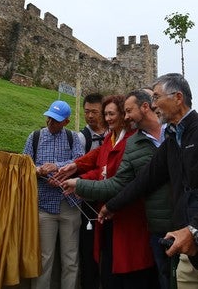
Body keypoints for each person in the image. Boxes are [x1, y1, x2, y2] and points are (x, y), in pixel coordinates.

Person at [99, 73, 198, 289]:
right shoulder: (173, 140)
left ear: (178, 97)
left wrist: (195, 230)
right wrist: (111, 206)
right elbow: (145, 180)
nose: (153, 104)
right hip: (189, 253)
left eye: (156, 97)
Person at [62, 89, 173, 289]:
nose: (108, 118)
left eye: (112, 113)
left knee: (137, 272)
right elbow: (101, 164)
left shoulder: (133, 141)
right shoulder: (112, 138)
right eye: (106, 114)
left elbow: (116, 180)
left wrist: (80, 182)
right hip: (113, 212)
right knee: (112, 268)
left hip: (129, 215)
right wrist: (79, 172)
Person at [22, 100, 84, 289]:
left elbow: (81, 162)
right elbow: (24, 166)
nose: (51, 123)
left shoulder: (74, 138)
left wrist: (57, 166)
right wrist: (39, 172)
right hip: (44, 207)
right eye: (49, 118)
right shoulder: (35, 137)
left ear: (66, 121)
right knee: (44, 257)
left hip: (70, 205)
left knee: (70, 258)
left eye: (56, 121)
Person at [77, 93, 108, 289]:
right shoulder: (82, 137)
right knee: (88, 250)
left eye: (94, 112)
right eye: (86, 111)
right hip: (88, 202)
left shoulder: (113, 135)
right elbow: (79, 165)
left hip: (109, 199)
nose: (89, 116)